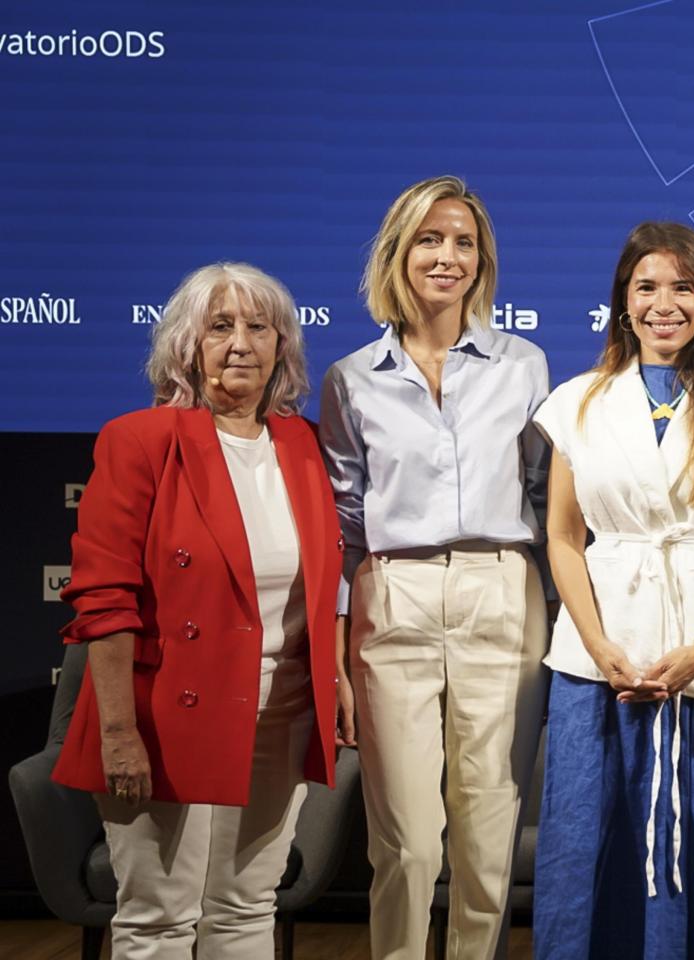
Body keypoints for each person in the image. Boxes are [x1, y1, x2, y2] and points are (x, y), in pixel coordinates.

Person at [54, 262, 341, 958]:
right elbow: (105, 600)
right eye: (220, 327)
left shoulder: (303, 444)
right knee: (159, 918)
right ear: (188, 345)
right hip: (165, 716)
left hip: (280, 712)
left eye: (258, 327)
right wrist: (119, 734)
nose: (241, 343)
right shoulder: (140, 440)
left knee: (247, 908)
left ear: (281, 346)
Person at [529, 221, 694, 958]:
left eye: (683, 287)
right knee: (589, 840)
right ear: (623, 301)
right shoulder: (577, 402)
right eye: (646, 287)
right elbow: (563, 537)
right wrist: (597, 645)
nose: (664, 304)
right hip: (597, 665)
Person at [319, 176, 550, 960]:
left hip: (501, 589)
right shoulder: (351, 378)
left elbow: (545, 494)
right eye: (429, 239)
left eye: (463, 242)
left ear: (482, 261)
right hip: (393, 596)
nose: (447, 257)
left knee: (488, 842)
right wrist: (338, 653)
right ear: (399, 252)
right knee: (408, 844)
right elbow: (346, 526)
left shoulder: (523, 365)